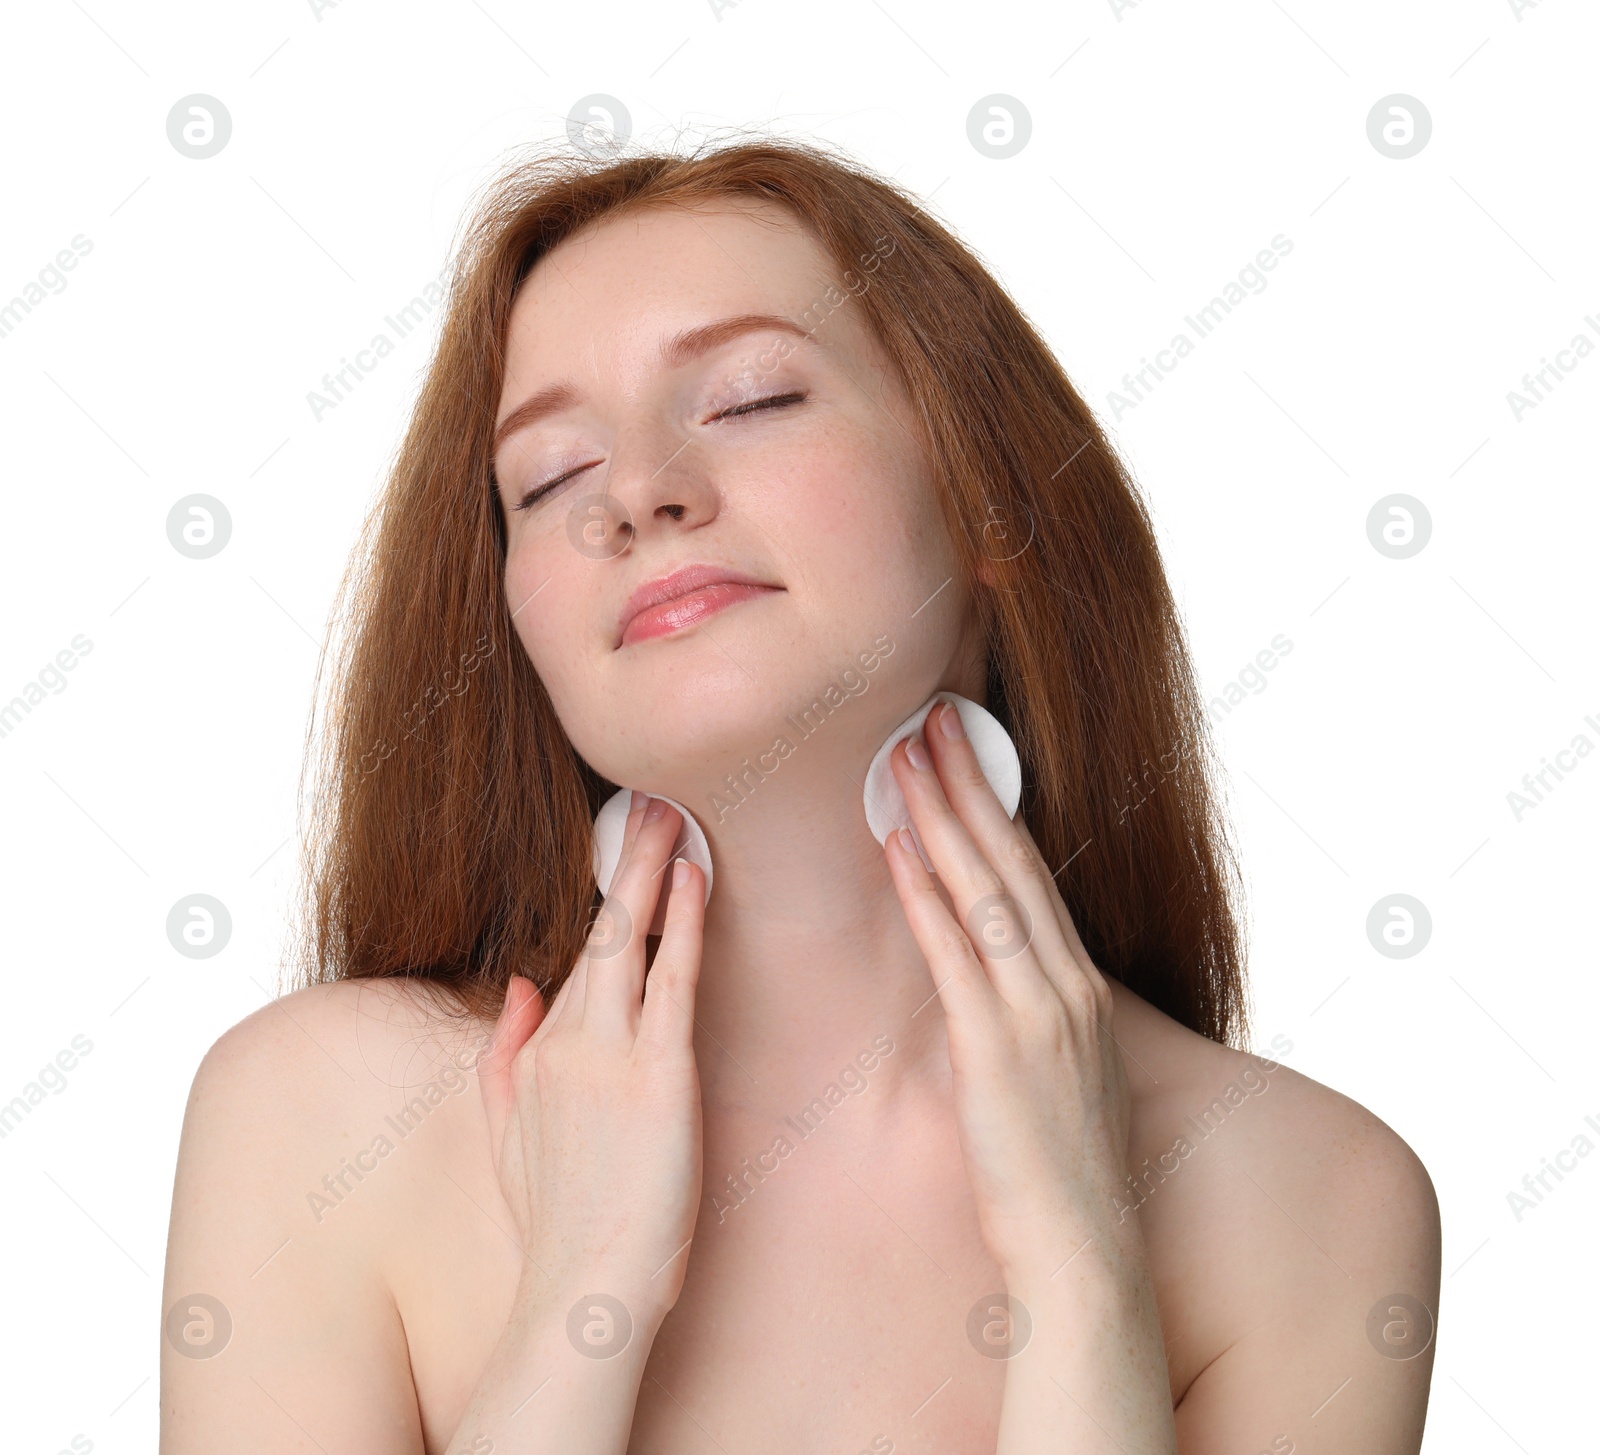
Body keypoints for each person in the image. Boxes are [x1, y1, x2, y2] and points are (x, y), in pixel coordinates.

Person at [160, 137, 1440, 1454]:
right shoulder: (318, 1124)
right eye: (548, 478)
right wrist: (580, 1302)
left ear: (990, 501)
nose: (635, 494)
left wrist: (1081, 1271)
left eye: (754, 399)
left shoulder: (1313, 1198)